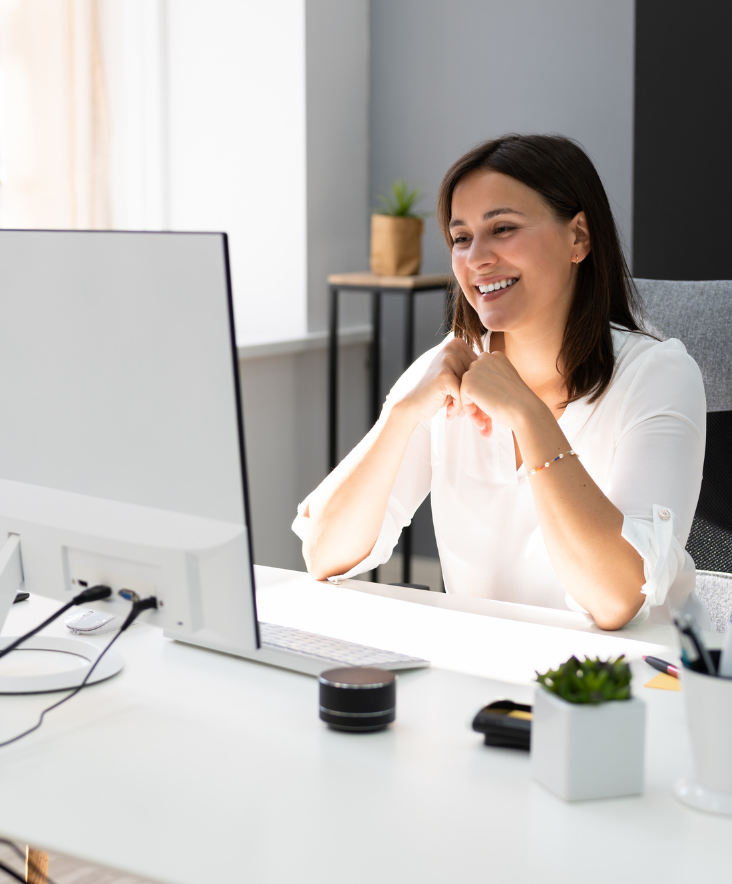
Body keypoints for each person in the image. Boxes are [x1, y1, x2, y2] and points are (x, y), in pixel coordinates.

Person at [293, 134, 706, 630]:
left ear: (578, 237)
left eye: (503, 228)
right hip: (489, 677)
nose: (476, 259)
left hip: (629, 685)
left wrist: (528, 416)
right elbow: (323, 554)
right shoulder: (446, 372)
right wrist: (401, 413)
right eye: (461, 238)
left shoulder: (658, 376)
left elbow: (618, 598)